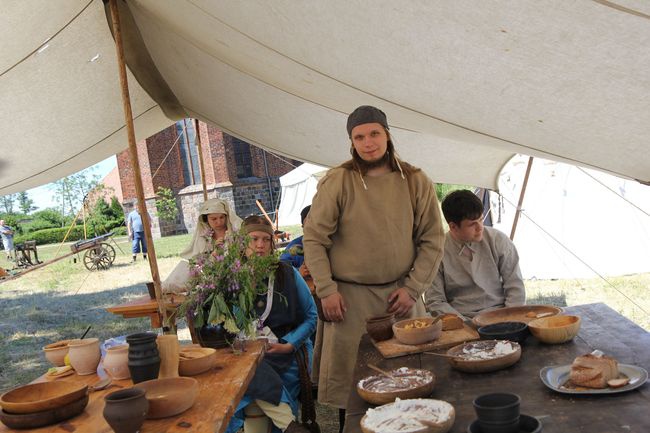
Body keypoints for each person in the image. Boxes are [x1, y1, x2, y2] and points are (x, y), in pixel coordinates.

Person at [302, 105, 445, 422]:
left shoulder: (416, 181)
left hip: (402, 300)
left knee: (411, 384)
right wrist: (326, 290)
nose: (368, 143)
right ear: (352, 142)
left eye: (374, 134)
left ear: (387, 135)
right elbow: (314, 238)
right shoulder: (339, 181)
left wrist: (413, 288)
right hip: (349, 303)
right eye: (360, 137)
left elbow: (433, 239)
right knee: (353, 395)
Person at [226, 215, 317, 433]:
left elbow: (311, 316)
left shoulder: (286, 273)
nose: (260, 245)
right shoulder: (232, 278)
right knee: (249, 369)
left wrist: (290, 344)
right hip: (246, 354)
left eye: (266, 240)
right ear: (242, 243)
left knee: (251, 375)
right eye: (254, 239)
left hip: (285, 352)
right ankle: (289, 425)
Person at [424, 189, 525, 319]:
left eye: (481, 220)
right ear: (453, 227)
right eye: (472, 224)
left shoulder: (498, 240)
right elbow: (435, 300)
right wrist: (463, 324)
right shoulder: (437, 251)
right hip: (461, 320)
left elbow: (515, 286)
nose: (480, 228)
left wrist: (509, 318)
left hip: (500, 315)